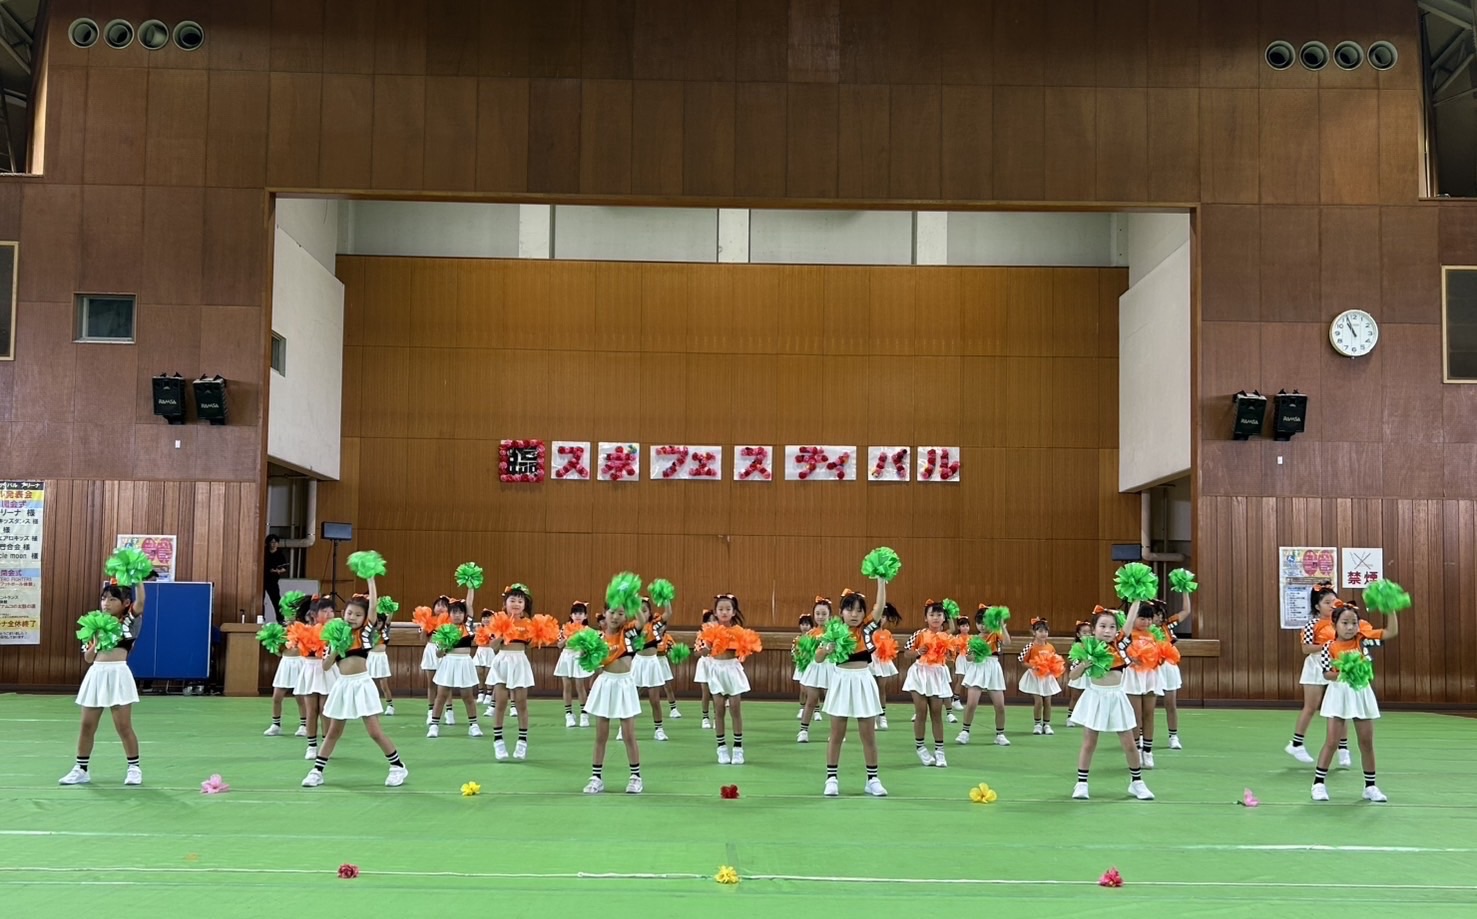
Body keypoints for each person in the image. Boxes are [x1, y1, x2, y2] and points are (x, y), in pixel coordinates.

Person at [60, 579, 148, 786]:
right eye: (103, 599)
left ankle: (134, 768)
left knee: (123, 726)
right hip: (96, 674)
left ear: (126, 603)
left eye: (112, 599)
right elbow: (88, 658)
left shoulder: (129, 622)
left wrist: (138, 581)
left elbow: (141, 602)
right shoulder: (94, 624)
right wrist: (96, 642)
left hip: (118, 674)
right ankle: (81, 769)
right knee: (86, 725)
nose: (106, 603)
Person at [264, 535, 289, 622]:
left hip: (273, 580)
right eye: (272, 542)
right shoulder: (264, 552)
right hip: (262, 579)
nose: (274, 544)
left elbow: (284, 568)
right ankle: (261, 618)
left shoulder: (280, 554)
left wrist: (277, 570)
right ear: (268, 543)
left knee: (276, 600)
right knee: (260, 600)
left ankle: (280, 619)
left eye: (275, 542)